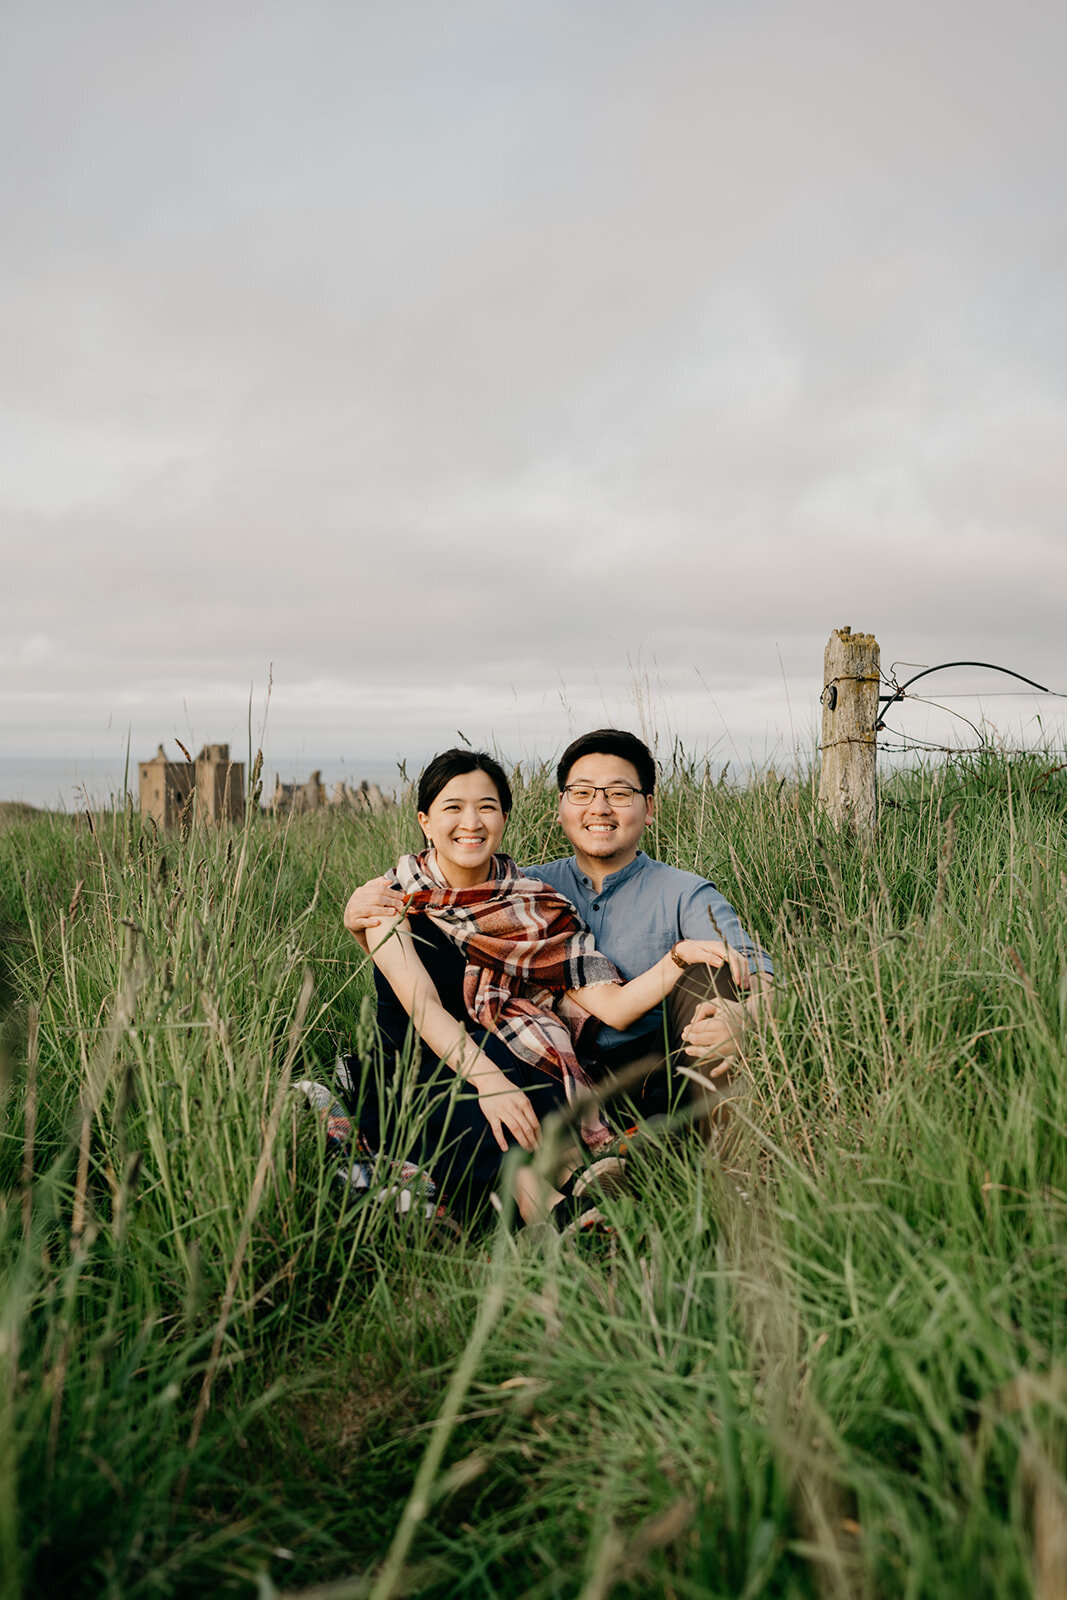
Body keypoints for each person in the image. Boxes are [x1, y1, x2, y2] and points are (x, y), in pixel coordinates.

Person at [344, 747, 748, 1230]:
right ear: (426, 821)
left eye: (486, 807)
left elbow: (612, 1006)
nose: (470, 821)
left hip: (504, 1052)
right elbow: (424, 1006)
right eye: (453, 807)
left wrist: (678, 956)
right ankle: (559, 1216)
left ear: (504, 818)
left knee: (538, 1075)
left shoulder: (530, 902)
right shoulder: (389, 901)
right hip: (418, 1071)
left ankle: (589, 1189)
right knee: (482, 1100)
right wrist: (491, 1084)